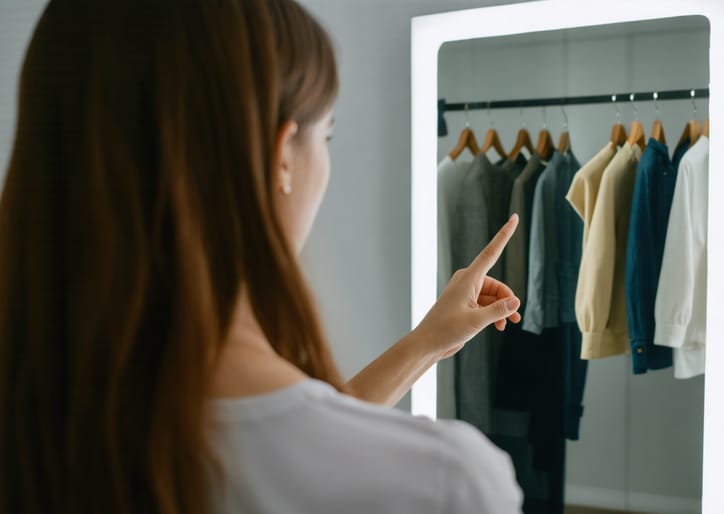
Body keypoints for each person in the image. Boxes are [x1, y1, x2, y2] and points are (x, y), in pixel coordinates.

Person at [0, 1, 525, 513]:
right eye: (328, 134)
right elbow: (293, 448)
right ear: (282, 155)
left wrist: (425, 344)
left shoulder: (43, 431)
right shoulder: (445, 485)